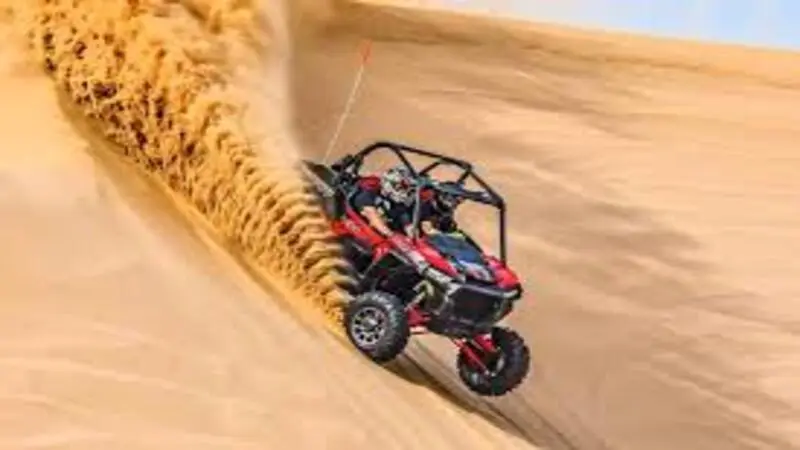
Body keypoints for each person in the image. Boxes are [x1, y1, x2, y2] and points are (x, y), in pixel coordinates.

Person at [353, 165, 437, 238]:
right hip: (357, 231)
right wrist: (391, 236)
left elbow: (407, 223)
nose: (405, 193)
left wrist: (414, 235)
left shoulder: (398, 205)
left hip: (378, 237)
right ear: (389, 183)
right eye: (401, 188)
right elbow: (372, 216)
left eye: (408, 190)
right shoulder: (368, 194)